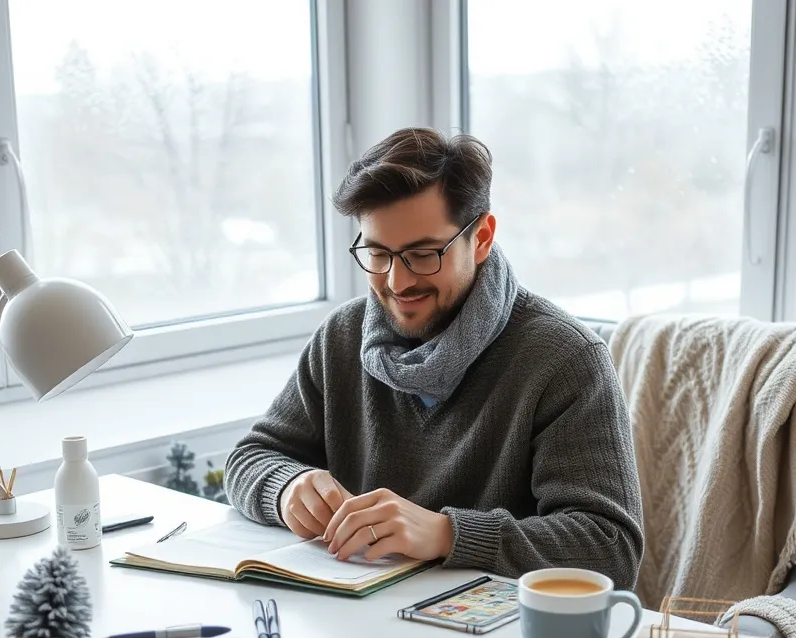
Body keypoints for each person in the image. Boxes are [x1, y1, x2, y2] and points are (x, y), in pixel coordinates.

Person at [224, 127, 644, 588]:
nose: (398, 282)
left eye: (423, 255)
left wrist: (447, 534)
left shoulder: (564, 360)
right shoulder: (341, 338)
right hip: (355, 629)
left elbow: (610, 548)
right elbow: (250, 457)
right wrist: (286, 488)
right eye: (378, 254)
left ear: (481, 237)